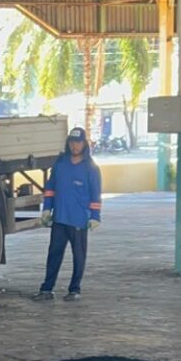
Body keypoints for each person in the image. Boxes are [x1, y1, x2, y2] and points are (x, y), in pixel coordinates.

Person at [36, 126, 102, 300]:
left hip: (79, 220)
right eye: (72, 142)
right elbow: (50, 188)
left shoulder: (90, 168)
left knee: (78, 256)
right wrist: (47, 209)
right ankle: (46, 289)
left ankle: (74, 290)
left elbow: (95, 194)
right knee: (54, 255)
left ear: (84, 144)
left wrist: (95, 216)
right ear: (68, 143)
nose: (75, 146)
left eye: (78, 142)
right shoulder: (60, 164)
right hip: (60, 218)